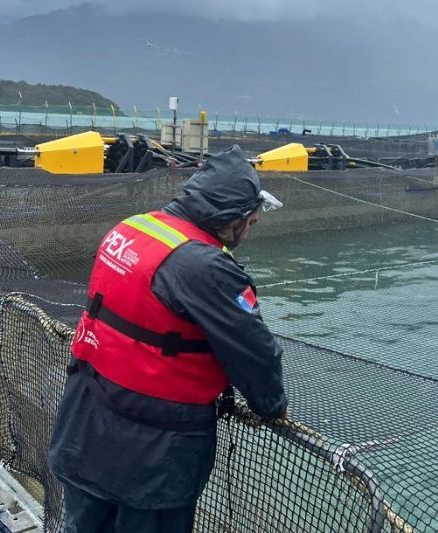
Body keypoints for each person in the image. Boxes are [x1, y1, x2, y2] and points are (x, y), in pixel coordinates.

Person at [48, 145, 288, 533]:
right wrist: (271, 406)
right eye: (251, 221)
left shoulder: (132, 227)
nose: (252, 225)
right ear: (229, 219)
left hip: (84, 426)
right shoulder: (205, 265)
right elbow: (255, 353)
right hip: (152, 455)